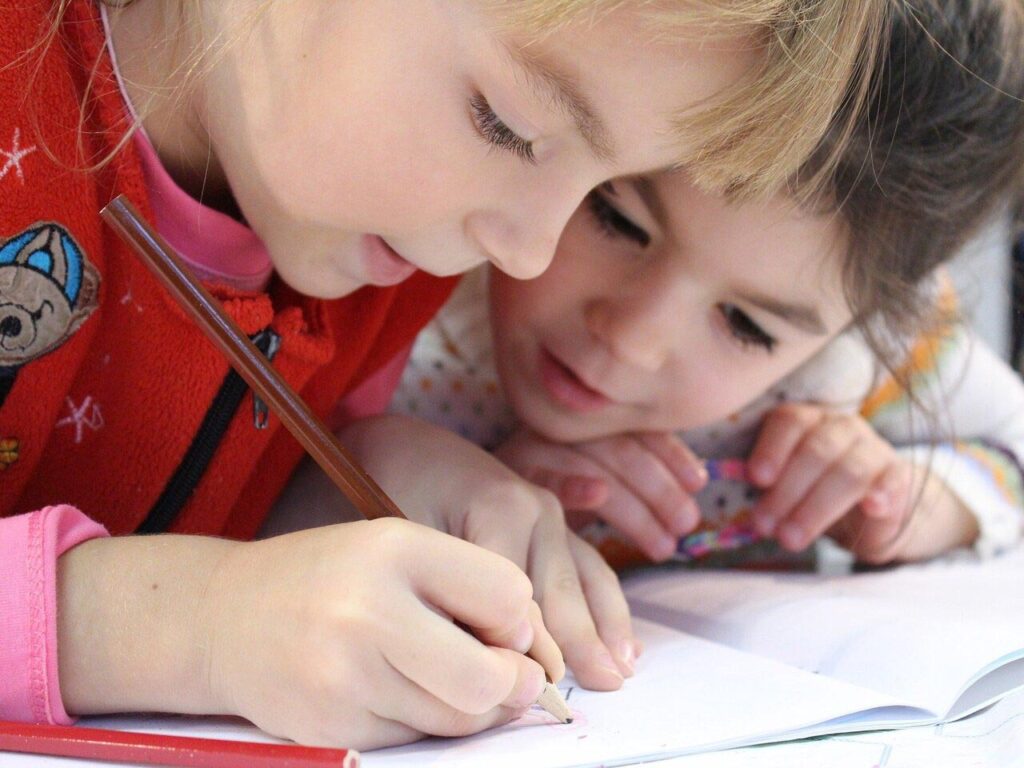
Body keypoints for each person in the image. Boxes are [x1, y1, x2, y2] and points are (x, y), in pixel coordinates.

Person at [0, 0, 891, 750]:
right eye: (510, 126)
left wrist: (350, 482)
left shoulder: (381, 257)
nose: (532, 250)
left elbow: (175, 504)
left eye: (602, 186)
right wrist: (194, 628)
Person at [391, 0, 1024, 571]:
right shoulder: (407, 270)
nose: (633, 340)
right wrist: (443, 485)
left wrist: (921, 499)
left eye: (747, 325)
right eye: (617, 221)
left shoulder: (864, 362)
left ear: (866, 321)